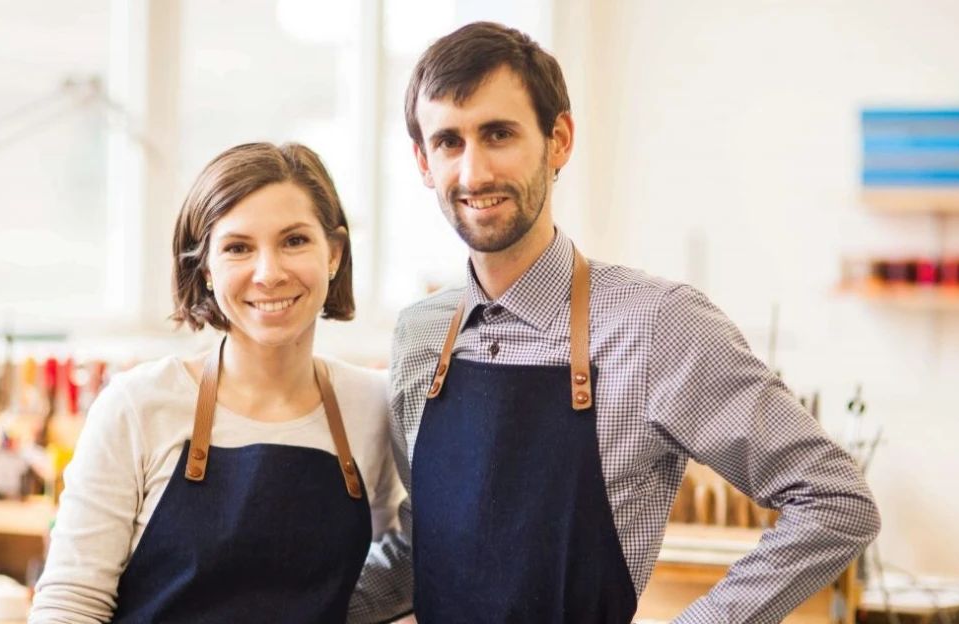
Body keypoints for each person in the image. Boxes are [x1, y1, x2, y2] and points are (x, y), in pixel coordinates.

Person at [350, 21, 881, 623]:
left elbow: (836, 501)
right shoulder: (419, 334)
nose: (473, 173)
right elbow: (422, 557)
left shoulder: (658, 325)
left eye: (499, 134)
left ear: (560, 140)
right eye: (449, 142)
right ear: (423, 161)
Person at [31, 142, 404, 624]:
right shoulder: (138, 406)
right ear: (206, 269)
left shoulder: (373, 405)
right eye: (238, 248)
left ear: (333, 253)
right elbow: (70, 606)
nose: (269, 273)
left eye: (294, 241)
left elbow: (401, 568)